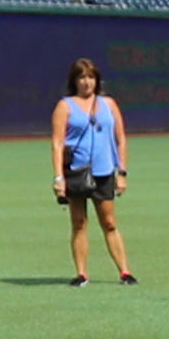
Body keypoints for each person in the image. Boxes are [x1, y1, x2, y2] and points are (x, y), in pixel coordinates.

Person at [51, 57, 132, 287]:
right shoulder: (65, 106)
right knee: (79, 222)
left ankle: (125, 271)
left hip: (104, 171)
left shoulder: (109, 104)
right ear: (74, 81)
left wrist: (122, 172)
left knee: (109, 222)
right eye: (82, 77)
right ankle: (82, 273)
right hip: (76, 172)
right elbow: (57, 143)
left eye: (91, 77)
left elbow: (120, 138)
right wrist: (59, 178)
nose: (87, 82)